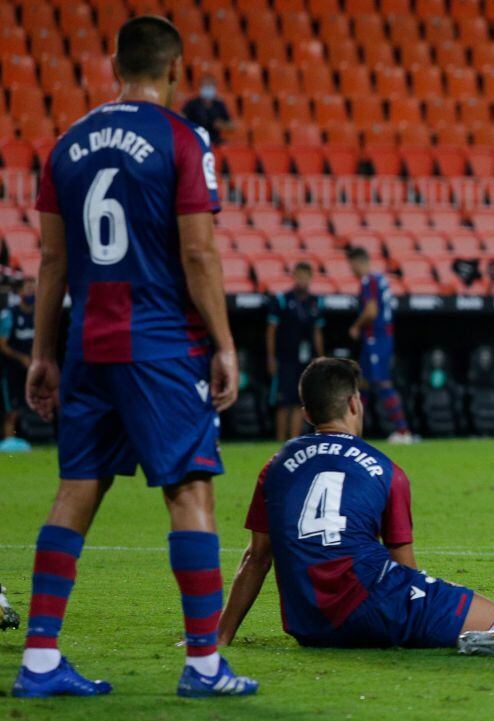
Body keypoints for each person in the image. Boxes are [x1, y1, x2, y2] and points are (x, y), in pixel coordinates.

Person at [12, 17, 257, 698]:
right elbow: (200, 251)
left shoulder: (65, 145)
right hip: (158, 343)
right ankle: (206, 665)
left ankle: (38, 659)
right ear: (175, 67)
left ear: (115, 64)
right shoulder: (183, 138)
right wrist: (225, 342)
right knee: (190, 488)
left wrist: (41, 354)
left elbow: (52, 259)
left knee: (76, 488)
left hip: (89, 342)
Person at [217, 358, 494, 659]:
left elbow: (256, 558)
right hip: (376, 609)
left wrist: (220, 638)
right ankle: (484, 639)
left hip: (312, 627)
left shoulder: (275, 467)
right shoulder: (386, 470)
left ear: (307, 414)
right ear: (354, 403)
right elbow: (405, 568)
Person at [347, 247, 415, 444]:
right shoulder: (380, 279)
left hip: (376, 338)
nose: (351, 269)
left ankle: (403, 432)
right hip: (379, 338)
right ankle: (353, 433)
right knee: (363, 384)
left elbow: (371, 311)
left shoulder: (369, 280)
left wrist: (355, 327)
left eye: (351, 264)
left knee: (383, 382)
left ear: (358, 262)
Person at [267, 262, 324, 442]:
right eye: (299, 276)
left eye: (306, 276)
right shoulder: (282, 300)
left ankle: (293, 441)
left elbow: (317, 331)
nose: (303, 280)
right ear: (294, 277)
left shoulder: (315, 302)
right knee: (284, 401)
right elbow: (271, 330)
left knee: (300, 401)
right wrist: (271, 357)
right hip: (285, 357)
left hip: (306, 358)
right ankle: (279, 441)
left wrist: (320, 357)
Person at [0, 276, 34, 451]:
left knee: (20, 408)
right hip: (11, 370)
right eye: (28, 288)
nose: (32, 292)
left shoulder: (39, 315)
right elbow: (2, 344)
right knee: (10, 410)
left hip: (30, 370)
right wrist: (21, 358)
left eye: (34, 288)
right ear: (19, 292)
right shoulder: (10, 315)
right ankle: (8, 443)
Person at [181, 76, 232, 146]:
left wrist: (222, 125)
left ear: (214, 87)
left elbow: (230, 125)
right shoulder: (192, 104)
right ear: (200, 87)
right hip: (195, 141)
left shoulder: (219, 105)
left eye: (210, 86)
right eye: (205, 85)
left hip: (215, 141)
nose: (208, 88)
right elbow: (181, 119)